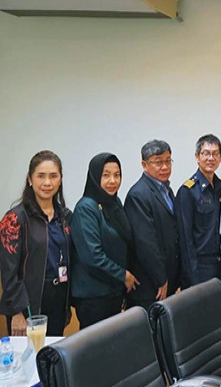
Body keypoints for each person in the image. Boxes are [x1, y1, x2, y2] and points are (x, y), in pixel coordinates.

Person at [0, 151, 72, 336]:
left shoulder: (65, 217)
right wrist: (16, 312)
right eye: (41, 176)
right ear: (30, 180)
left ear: (60, 179)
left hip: (58, 300)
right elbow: (8, 272)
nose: (47, 182)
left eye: (53, 176)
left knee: (53, 352)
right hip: (27, 305)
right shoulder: (15, 218)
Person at [70, 153, 137, 328]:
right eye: (105, 175)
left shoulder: (114, 203)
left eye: (117, 175)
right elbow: (92, 257)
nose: (112, 181)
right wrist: (123, 275)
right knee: (95, 345)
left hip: (113, 293)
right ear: (94, 177)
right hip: (94, 298)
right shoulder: (86, 208)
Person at [124, 140, 180, 310]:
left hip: (167, 279)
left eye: (168, 161)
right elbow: (146, 243)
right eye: (158, 162)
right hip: (150, 285)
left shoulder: (167, 190)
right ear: (144, 165)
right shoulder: (138, 195)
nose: (165, 167)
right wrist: (160, 278)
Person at [175, 134, 221, 288]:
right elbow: (185, 239)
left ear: (220, 157)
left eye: (215, 154)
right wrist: (192, 275)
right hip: (199, 267)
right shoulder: (188, 191)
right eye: (206, 153)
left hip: (220, 265)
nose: (211, 158)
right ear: (197, 157)